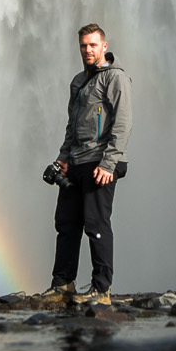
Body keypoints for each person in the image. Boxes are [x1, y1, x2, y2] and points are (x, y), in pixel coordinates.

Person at [45, 23, 131, 305]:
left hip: (101, 161)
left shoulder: (115, 78)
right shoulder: (78, 82)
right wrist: (63, 158)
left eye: (93, 45)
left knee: (96, 223)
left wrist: (109, 163)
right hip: (77, 160)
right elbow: (72, 125)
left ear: (104, 46)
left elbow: (122, 123)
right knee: (66, 224)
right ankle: (63, 284)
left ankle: (101, 289)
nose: (88, 50)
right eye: (83, 45)